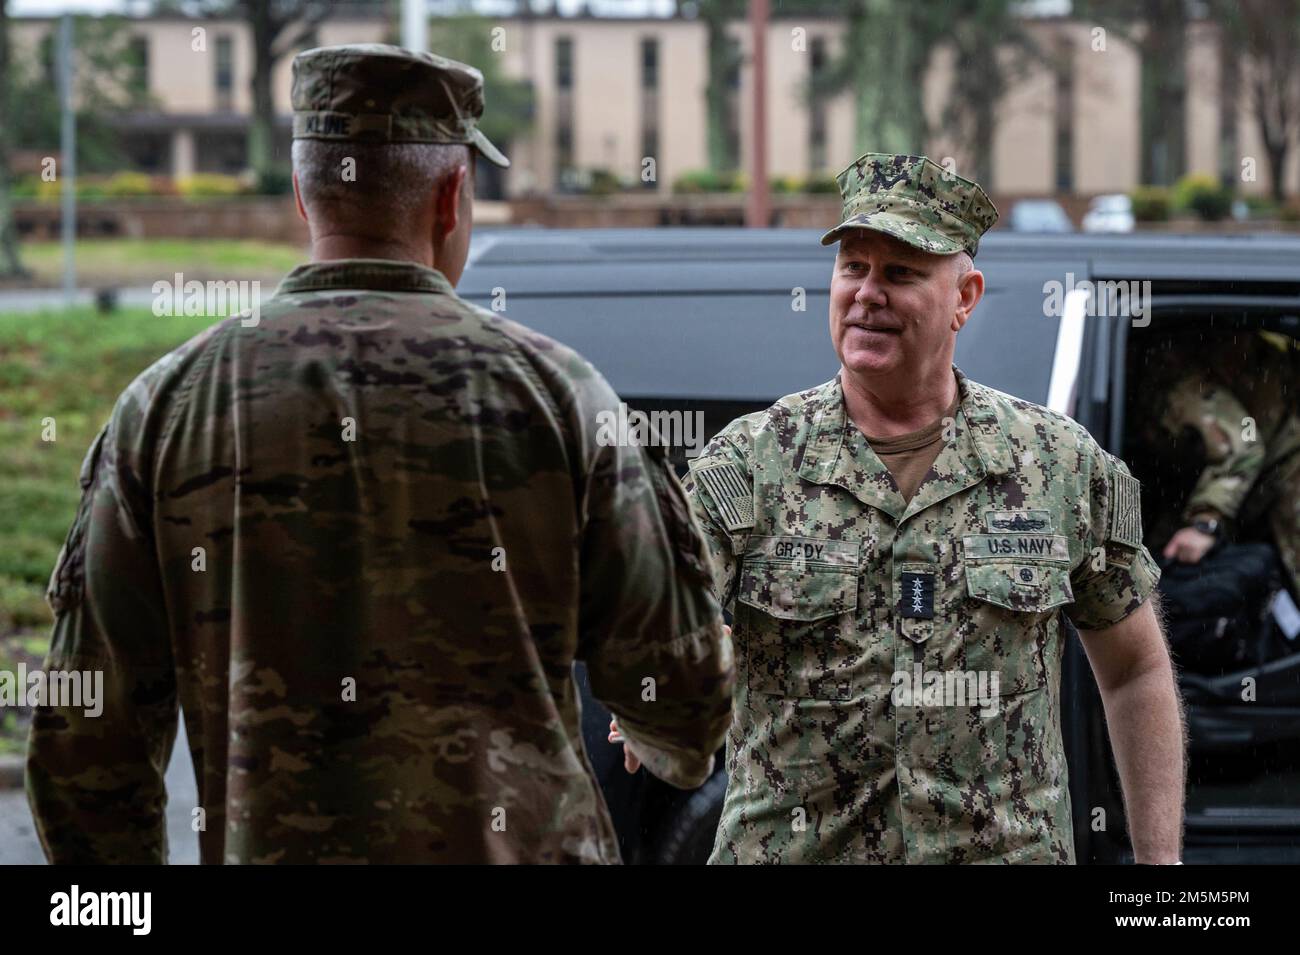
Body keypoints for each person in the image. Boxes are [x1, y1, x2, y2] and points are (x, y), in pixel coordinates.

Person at [27, 44, 733, 864]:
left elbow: (83, 755)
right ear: (451, 195)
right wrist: (660, 736)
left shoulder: (164, 410)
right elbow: (685, 707)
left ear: (302, 192)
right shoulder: (562, 398)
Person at [665, 153, 1185, 864]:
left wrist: (1161, 869)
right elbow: (668, 619)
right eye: (854, 267)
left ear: (964, 297)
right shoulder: (750, 465)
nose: (867, 294)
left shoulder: (1059, 466)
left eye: (900, 273)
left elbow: (1134, 672)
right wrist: (656, 688)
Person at [1140, 331, 1300, 595]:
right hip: (1247, 467)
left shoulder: (1171, 383)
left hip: (1285, 451)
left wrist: (1205, 524)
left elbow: (1243, 447)